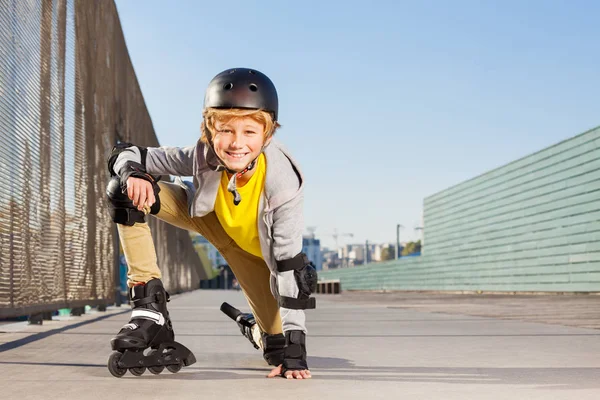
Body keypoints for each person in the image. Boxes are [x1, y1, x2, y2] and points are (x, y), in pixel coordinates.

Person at [106, 67, 317, 380]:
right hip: (208, 222)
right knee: (123, 190)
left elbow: (289, 267)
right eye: (226, 131)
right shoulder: (203, 154)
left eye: (249, 132)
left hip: (255, 256)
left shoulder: (283, 183)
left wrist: (296, 352)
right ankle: (149, 307)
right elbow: (129, 153)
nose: (236, 143)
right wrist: (133, 173)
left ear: (267, 135)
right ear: (209, 130)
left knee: (277, 350)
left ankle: (255, 330)